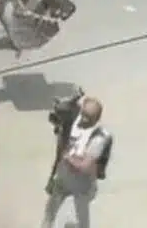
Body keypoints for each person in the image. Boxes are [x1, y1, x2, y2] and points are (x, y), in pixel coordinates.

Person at [42, 97, 109, 228]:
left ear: (96, 119)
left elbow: (84, 166)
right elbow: (63, 112)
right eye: (82, 114)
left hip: (82, 185)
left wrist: (67, 157)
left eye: (88, 117)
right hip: (63, 179)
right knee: (49, 214)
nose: (82, 119)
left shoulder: (98, 138)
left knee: (82, 219)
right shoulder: (73, 121)